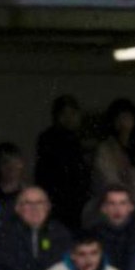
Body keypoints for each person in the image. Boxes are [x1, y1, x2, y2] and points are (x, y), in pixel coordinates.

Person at [0, 187, 72, 270]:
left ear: (48, 207)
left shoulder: (60, 233)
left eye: (39, 203)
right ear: (17, 208)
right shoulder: (4, 234)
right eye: (28, 203)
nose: (34, 208)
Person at [34, 94, 91, 234]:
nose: (68, 118)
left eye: (72, 113)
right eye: (64, 113)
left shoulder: (80, 140)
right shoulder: (48, 139)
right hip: (57, 203)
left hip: (79, 205)